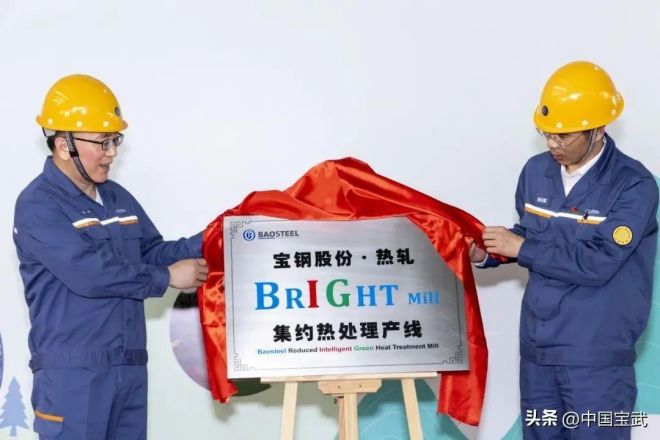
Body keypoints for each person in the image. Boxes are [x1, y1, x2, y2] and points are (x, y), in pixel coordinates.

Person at [13, 74, 209, 439]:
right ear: (64, 145)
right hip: (73, 375)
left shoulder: (117, 198)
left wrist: (214, 238)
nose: (112, 152)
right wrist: (167, 278)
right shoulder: (38, 205)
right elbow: (89, 273)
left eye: (115, 140)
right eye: (102, 142)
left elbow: (151, 252)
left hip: (128, 366)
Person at [471, 61, 658, 439]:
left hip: (596, 359)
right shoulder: (535, 172)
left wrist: (523, 246)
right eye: (546, 134)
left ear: (599, 129)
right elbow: (530, 235)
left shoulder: (633, 185)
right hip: (538, 353)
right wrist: (487, 253)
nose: (552, 144)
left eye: (564, 136)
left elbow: (598, 262)